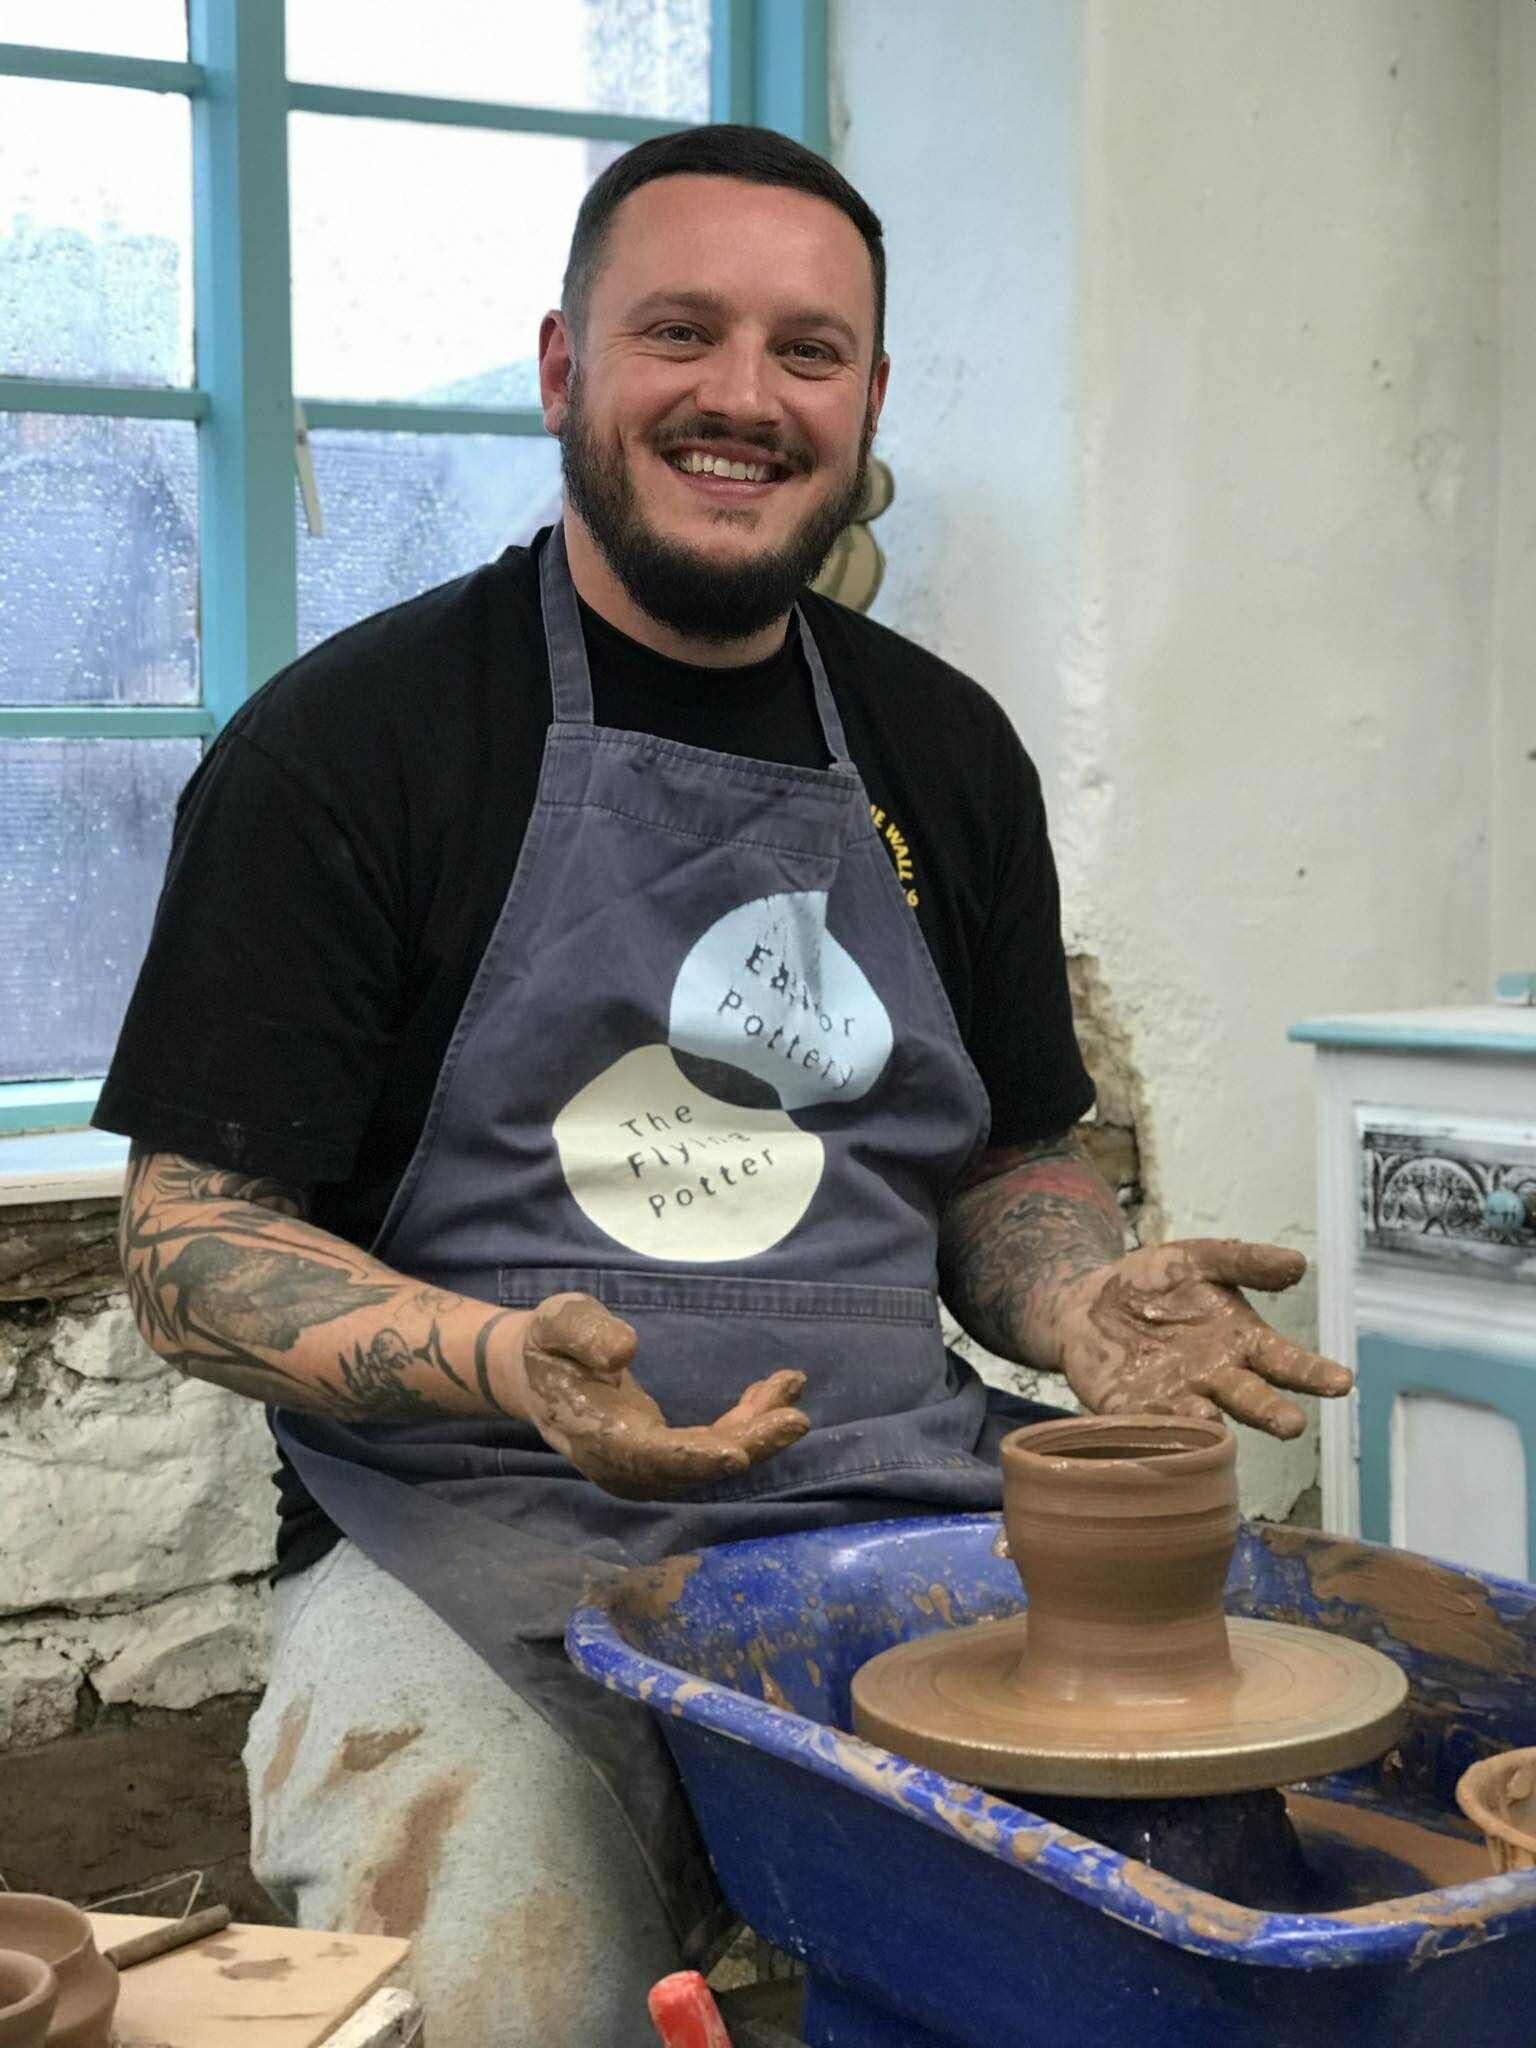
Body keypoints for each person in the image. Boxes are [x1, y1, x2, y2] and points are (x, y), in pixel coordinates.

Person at [100, 125, 1351, 2046]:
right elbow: (193, 1242)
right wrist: (508, 1363)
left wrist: (1075, 1292)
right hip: (469, 1527)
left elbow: (1007, 1158)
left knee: (1207, 1887)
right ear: (561, 367)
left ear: (860, 399)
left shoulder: (944, 748)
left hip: (897, 1495)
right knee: (494, 1932)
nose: (745, 398)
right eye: (680, 331)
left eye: (811, 350)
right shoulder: (351, 747)